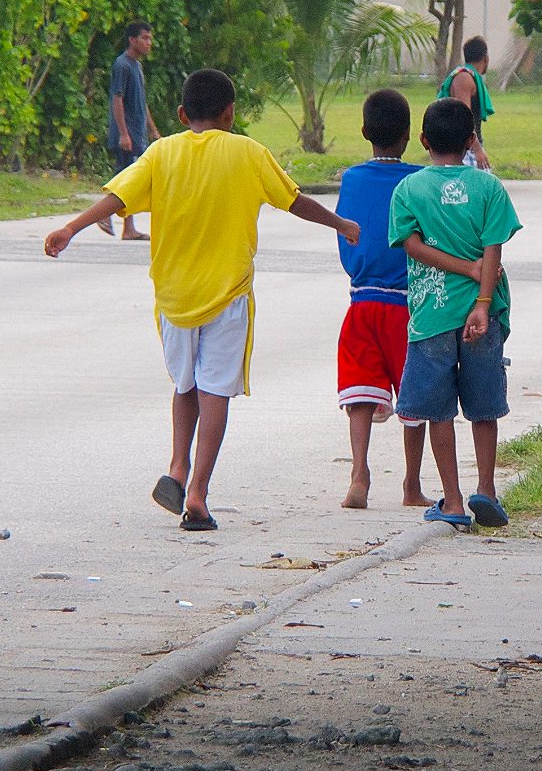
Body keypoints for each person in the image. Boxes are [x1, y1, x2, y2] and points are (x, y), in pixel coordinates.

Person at [43, 67, 359, 533]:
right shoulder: (249, 153)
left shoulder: (161, 152)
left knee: (185, 385)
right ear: (231, 113)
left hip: (173, 297)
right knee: (216, 391)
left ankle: (176, 465)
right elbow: (293, 201)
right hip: (228, 295)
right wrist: (342, 225)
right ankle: (198, 493)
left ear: (181, 113)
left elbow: (117, 197)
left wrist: (71, 228)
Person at [392, 96, 521, 528]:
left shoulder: (408, 189)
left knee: (438, 410)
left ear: (424, 140)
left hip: (431, 316)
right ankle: (485, 488)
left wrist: (459, 268)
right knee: (483, 407)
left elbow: (411, 245)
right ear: (471, 140)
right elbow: (493, 252)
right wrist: (482, 302)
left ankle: (451, 501)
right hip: (484, 313)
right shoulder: (488, 188)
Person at [335, 88, 428, 511]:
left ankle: (360, 473)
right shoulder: (417, 181)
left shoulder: (352, 178)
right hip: (409, 303)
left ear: (364, 131)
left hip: (363, 300)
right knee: (416, 395)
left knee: (360, 391)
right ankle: (411, 483)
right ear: (409, 135)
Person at [106, 20, 156, 242]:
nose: (148, 43)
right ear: (132, 40)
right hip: (127, 133)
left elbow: (142, 102)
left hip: (138, 132)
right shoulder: (122, 65)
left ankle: (129, 228)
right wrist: (123, 133)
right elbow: (117, 99)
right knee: (127, 178)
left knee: (130, 177)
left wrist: (153, 130)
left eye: (150, 38)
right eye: (144, 38)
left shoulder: (137, 66)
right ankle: (106, 213)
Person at [437, 35, 496, 169]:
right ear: (486, 58)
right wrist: (477, 150)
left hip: (469, 147)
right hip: (463, 151)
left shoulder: (469, 76)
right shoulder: (464, 78)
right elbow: (464, 118)